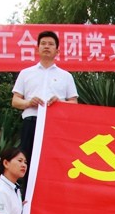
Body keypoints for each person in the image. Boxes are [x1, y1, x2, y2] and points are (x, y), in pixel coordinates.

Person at [11, 30, 78, 166]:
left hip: (56, 124)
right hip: (31, 122)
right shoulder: (25, 73)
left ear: (57, 51)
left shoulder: (66, 76)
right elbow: (15, 101)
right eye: (43, 43)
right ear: (37, 49)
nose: (47, 46)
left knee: (56, 161)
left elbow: (74, 103)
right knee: (27, 160)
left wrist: (60, 103)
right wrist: (29, 103)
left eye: (51, 44)